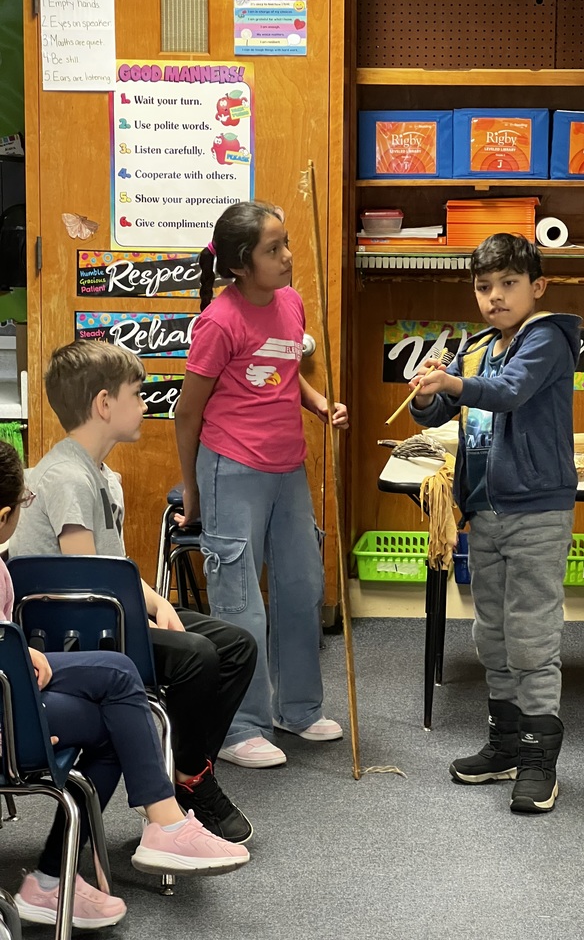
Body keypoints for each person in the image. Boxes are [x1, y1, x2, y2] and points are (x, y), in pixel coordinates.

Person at [8, 341, 257, 842]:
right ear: (104, 404)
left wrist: (159, 604)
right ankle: (181, 779)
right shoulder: (66, 477)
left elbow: (114, 568)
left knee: (236, 647)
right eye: (137, 394)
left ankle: (187, 771)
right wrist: (142, 616)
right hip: (73, 634)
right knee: (197, 657)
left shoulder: (100, 475)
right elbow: (86, 575)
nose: (145, 404)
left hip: (103, 616)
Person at [0, 441, 250, 930]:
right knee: (119, 684)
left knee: (118, 690)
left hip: (11, 697)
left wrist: (19, 650)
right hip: (8, 721)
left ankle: (61, 878)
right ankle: (159, 824)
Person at [408, 233, 581, 814]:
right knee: (493, 636)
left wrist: (455, 383)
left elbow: (508, 393)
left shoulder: (548, 338)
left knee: (532, 637)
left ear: (537, 287)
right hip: (483, 512)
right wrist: (428, 389)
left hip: (536, 511)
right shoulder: (480, 344)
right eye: (485, 286)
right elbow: (440, 408)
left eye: (509, 284)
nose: (496, 297)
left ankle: (538, 759)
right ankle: (506, 744)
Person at [173, 200, 348, 769]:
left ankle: (295, 709)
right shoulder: (219, 321)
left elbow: (283, 375)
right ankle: (237, 728)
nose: (288, 257)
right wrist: (194, 492)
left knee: (301, 588)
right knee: (241, 603)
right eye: (274, 250)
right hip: (231, 469)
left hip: (287, 469)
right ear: (242, 264)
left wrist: (321, 404)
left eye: (287, 243)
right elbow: (186, 414)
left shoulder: (292, 304)